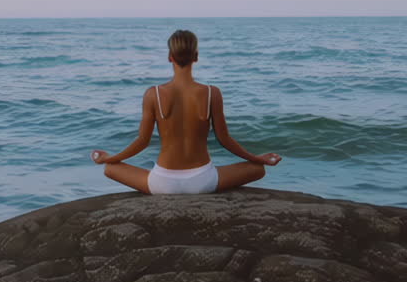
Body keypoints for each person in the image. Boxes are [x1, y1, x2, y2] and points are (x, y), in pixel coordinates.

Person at [91, 29, 281, 194]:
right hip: (203, 180)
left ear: (170, 57)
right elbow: (225, 140)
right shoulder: (211, 93)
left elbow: (143, 141)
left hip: (162, 182)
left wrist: (111, 158)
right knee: (258, 169)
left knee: (110, 169)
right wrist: (257, 158)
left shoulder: (153, 94)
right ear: (196, 57)